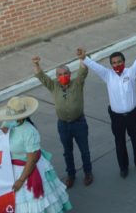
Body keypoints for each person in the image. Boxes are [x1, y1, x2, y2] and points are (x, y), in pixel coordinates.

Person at [0, 96, 72, 213]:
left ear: (22, 117)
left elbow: (32, 159)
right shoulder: (8, 123)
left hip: (29, 168)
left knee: (35, 201)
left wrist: (22, 179)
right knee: (22, 204)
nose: (11, 119)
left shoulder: (30, 131)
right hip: (13, 167)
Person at [81, 48, 136, 178]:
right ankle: (123, 168)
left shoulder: (130, 72)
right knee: (120, 143)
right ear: (111, 65)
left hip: (133, 115)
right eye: (114, 63)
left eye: (119, 62)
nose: (117, 64)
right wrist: (84, 58)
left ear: (124, 62)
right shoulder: (107, 75)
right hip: (117, 117)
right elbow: (95, 66)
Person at [33, 52, 92, 188]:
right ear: (57, 77)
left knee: (85, 150)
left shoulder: (77, 83)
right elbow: (41, 76)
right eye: (59, 75)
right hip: (63, 125)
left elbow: (83, 70)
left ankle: (88, 173)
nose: (63, 77)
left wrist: (82, 58)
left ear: (70, 75)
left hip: (79, 123)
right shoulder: (53, 86)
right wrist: (36, 64)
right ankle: (71, 175)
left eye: (65, 74)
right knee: (67, 152)